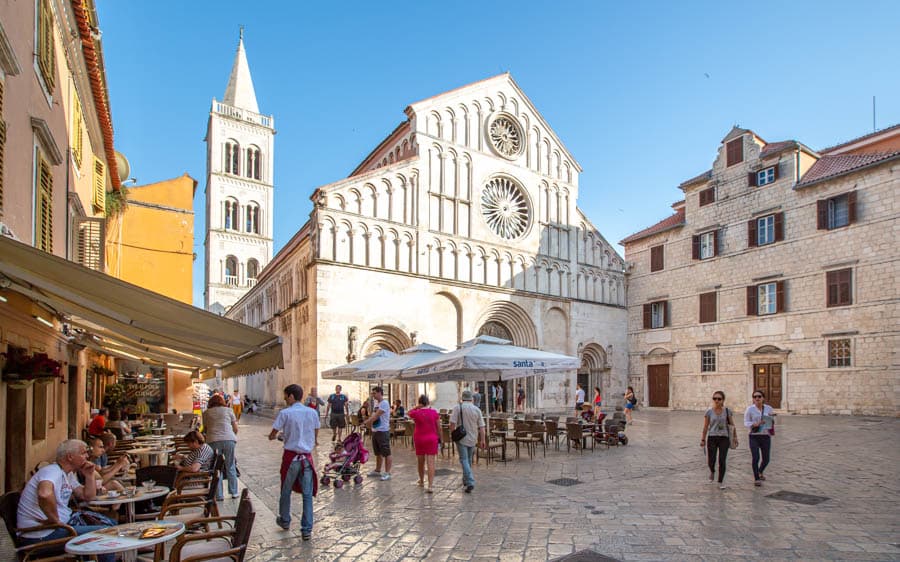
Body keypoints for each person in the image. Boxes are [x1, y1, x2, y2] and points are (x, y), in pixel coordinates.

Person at [16, 440, 114, 562]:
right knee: (103, 534)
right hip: (40, 535)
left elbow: (88, 496)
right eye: (83, 453)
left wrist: (89, 476)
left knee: (112, 524)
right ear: (70, 457)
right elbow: (44, 493)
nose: (87, 456)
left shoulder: (67, 474)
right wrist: (55, 520)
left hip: (57, 528)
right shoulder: (51, 471)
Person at [269, 384, 319, 540]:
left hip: (291, 457)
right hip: (306, 457)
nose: (284, 398)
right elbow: (316, 430)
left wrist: (273, 437)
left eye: (285, 395)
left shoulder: (285, 413)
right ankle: (306, 529)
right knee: (307, 493)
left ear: (291, 396)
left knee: (286, 490)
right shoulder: (312, 412)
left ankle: (285, 519)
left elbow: (273, 433)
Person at [203, 393, 239, 500]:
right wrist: (231, 436)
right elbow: (235, 428)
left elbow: (205, 429)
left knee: (216, 468)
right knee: (230, 465)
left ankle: (219, 495)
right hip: (229, 440)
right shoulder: (229, 410)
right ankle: (234, 492)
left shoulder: (206, 413)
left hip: (213, 440)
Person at [450, 389, 486, 493]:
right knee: (469, 460)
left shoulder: (458, 408)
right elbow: (482, 427)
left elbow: (452, 423)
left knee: (464, 460)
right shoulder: (477, 410)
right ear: (472, 399)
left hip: (461, 438)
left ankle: (470, 481)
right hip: (473, 438)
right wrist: (483, 440)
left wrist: (453, 434)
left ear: (462, 398)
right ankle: (465, 480)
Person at [701, 391, 734, 489]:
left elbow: (732, 425)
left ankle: (720, 481)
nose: (716, 400)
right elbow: (706, 427)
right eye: (714, 398)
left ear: (723, 400)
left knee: (722, 460)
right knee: (711, 460)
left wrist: (735, 437)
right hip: (712, 437)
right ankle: (712, 471)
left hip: (724, 437)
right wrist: (703, 439)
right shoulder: (709, 412)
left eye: (719, 399)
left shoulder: (727, 411)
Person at [408, 394, 440, 493]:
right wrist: (440, 438)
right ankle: (430, 485)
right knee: (431, 462)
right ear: (428, 403)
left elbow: (409, 413)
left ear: (420, 403)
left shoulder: (417, 413)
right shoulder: (434, 413)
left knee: (420, 461)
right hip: (431, 439)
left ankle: (422, 481)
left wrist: (416, 407)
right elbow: (439, 427)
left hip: (419, 439)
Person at [744, 389, 775, 487]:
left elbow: (772, 420)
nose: (757, 398)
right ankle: (756, 478)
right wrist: (755, 424)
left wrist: (771, 420)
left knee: (766, 459)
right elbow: (746, 422)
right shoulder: (750, 409)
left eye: (759, 396)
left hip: (765, 436)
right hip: (754, 436)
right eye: (755, 397)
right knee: (756, 457)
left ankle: (760, 471)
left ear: (763, 398)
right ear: (753, 399)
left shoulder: (769, 408)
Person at [363, 386, 392, 481]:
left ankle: (387, 472)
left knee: (386, 452)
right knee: (378, 452)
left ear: (380, 393)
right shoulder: (376, 404)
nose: (373, 395)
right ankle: (378, 470)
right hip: (376, 430)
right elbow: (373, 415)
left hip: (383, 431)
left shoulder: (384, 403)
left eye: (375, 393)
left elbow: (376, 415)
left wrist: (366, 422)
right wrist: (369, 425)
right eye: (373, 393)